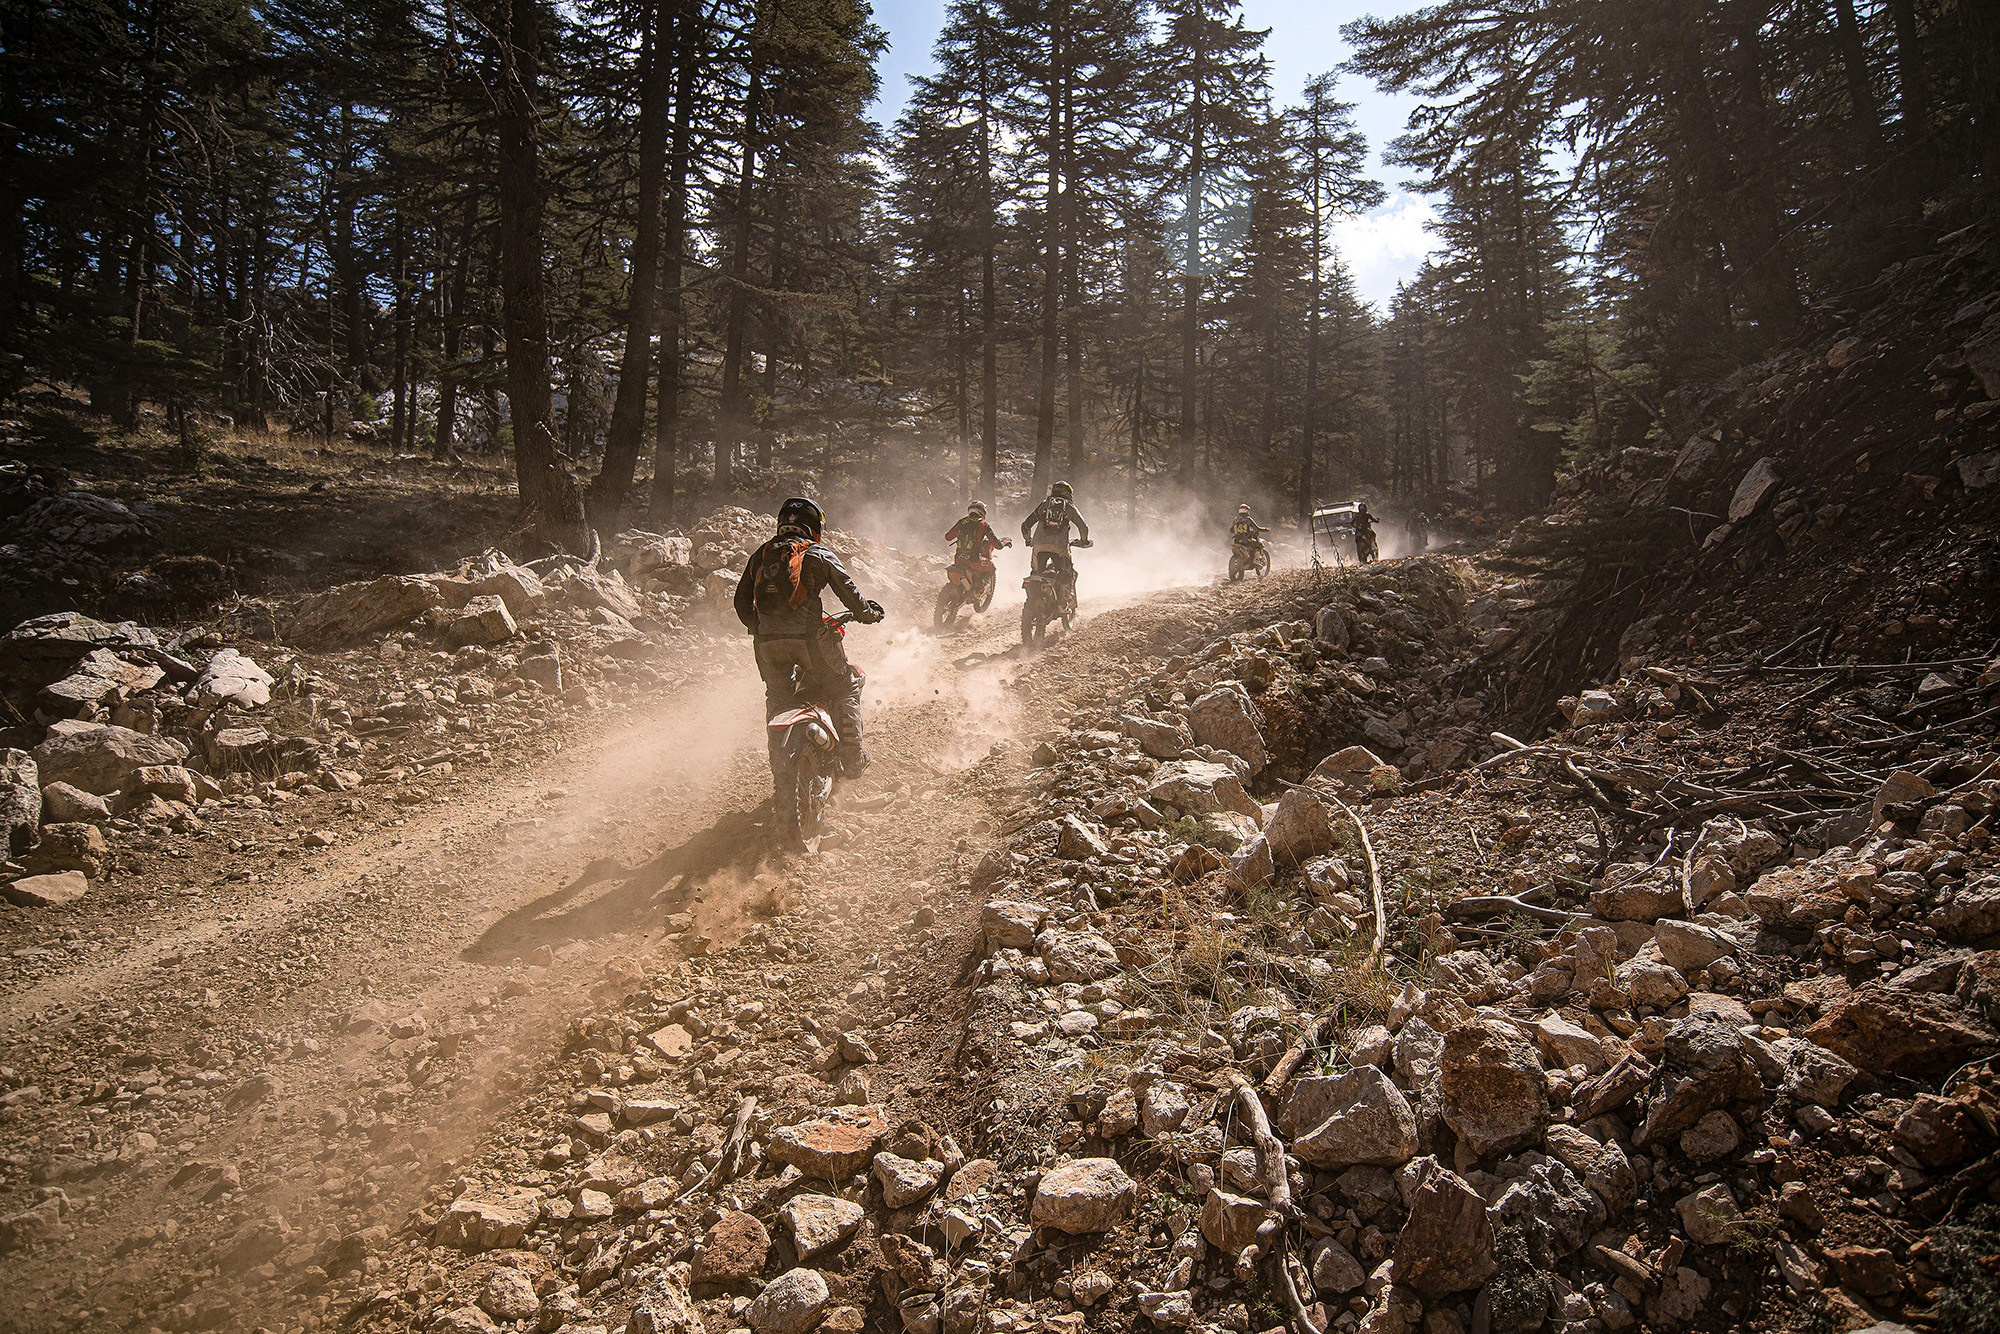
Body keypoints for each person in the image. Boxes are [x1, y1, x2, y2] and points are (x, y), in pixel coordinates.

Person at [734, 497, 884, 777]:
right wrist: (868, 613)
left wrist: (760, 627)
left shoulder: (762, 554)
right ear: (815, 526)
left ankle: (779, 764)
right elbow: (849, 591)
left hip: (767, 645)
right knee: (845, 686)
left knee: (778, 698)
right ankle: (852, 757)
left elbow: (740, 601)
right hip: (808, 641)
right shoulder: (818, 552)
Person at [1021, 480, 1090, 611]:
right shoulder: (1069, 506)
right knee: (1066, 573)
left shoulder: (1044, 505)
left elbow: (1025, 525)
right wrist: (1084, 541)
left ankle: (1032, 600)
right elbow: (1083, 527)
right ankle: (1062, 605)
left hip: (1038, 545)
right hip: (1060, 547)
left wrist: (1028, 540)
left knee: (1035, 573)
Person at [944, 500, 1004, 567]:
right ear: (982, 511)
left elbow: (948, 537)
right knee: (991, 567)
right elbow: (997, 545)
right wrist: (1003, 543)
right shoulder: (983, 524)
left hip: (959, 560)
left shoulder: (961, 522)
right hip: (974, 561)